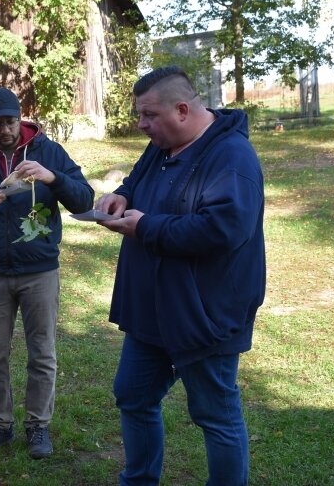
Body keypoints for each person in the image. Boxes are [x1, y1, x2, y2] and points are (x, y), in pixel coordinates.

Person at [95, 66, 265, 485]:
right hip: (153, 307)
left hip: (204, 312)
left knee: (215, 415)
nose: (141, 125)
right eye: (140, 115)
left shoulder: (231, 158)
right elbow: (138, 179)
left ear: (184, 109)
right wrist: (122, 194)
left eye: (149, 115)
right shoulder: (162, 143)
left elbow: (223, 229)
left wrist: (146, 227)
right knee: (133, 396)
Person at [0, 87, 94, 460]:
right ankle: (0, 424)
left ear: (21, 118)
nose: (5, 130)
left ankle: (37, 426)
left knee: (41, 353)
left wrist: (52, 177)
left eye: (10, 121)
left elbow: (84, 199)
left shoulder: (49, 151)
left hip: (40, 270)